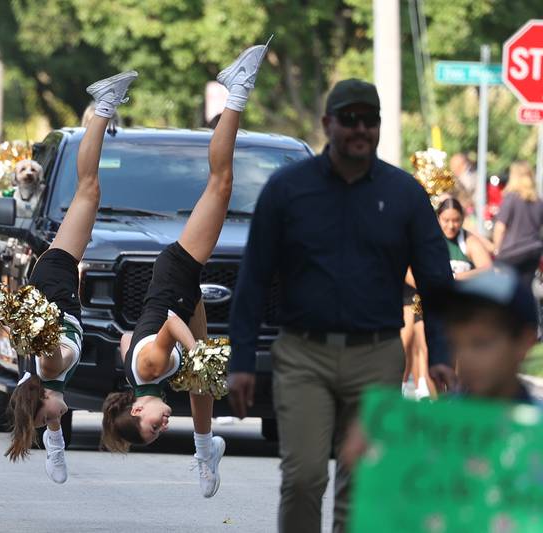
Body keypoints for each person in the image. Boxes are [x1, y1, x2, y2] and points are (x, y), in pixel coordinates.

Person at [228, 79, 453, 532]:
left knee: (363, 483)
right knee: (304, 477)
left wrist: (443, 357)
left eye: (369, 120)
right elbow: (252, 278)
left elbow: (437, 283)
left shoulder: (405, 194)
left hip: (376, 357)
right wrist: (242, 359)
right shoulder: (287, 189)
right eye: (349, 119)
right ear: (328, 123)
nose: (360, 129)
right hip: (303, 353)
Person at [100, 41, 270, 498]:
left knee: (222, 181)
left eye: (154, 429)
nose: (160, 427)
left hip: (178, 271)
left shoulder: (152, 367)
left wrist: (197, 352)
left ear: (138, 412)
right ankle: (203, 448)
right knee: (199, 381)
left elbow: (170, 325)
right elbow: (124, 340)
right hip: (178, 288)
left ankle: (236, 91)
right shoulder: (140, 375)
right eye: (160, 434)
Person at [6, 70, 139, 484]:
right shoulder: (46, 382)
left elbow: (46, 355)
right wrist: (55, 453)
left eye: (49, 423)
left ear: (43, 400)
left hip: (55, 275)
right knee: (88, 191)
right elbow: (47, 411)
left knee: (88, 190)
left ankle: (101, 107)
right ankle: (100, 110)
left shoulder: (51, 364)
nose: (55, 423)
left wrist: (9, 314)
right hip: (53, 278)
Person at [340, 267, 541, 472]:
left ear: (524, 342)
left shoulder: (536, 428)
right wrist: (378, 451)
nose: (465, 358)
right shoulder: (429, 428)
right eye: (455, 343)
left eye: (481, 343)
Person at [492, 161, 543, 289]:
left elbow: (500, 227)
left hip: (512, 252)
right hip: (533, 250)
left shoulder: (511, 198)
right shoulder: (538, 200)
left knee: (506, 290)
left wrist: (497, 250)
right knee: (525, 289)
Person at [436, 197, 492, 279]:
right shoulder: (429, 239)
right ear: (438, 218)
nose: (451, 226)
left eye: (456, 220)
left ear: (462, 219)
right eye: (446, 220)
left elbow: (488, 270)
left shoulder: (469, 240)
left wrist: (454, 277)